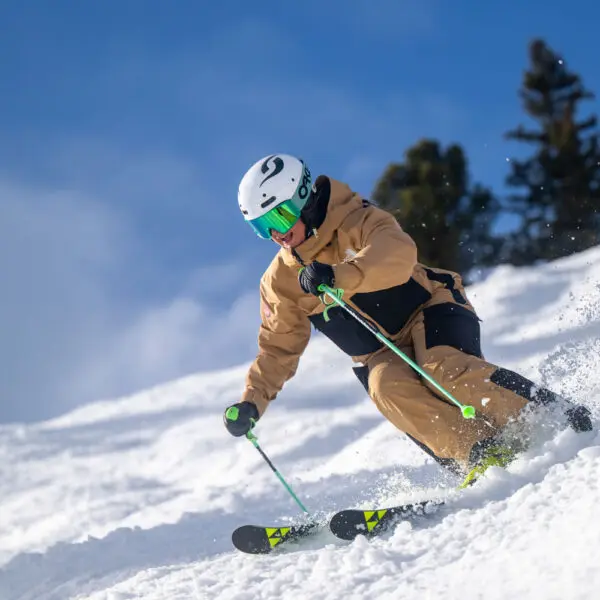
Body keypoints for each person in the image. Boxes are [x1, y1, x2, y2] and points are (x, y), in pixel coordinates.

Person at [223, 153, 593, 485]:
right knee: (387, 387)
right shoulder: (280, 282)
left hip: (430, 307)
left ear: (303, 200)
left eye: (279, 216)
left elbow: (397, 255)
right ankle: (480, 453)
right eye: (262, 227)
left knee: (442, 367)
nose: (277, 234)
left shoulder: (358, 218)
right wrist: (252, 402)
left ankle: (554, 420)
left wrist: (339, 276)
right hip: (378, 353)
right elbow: (278, 346)